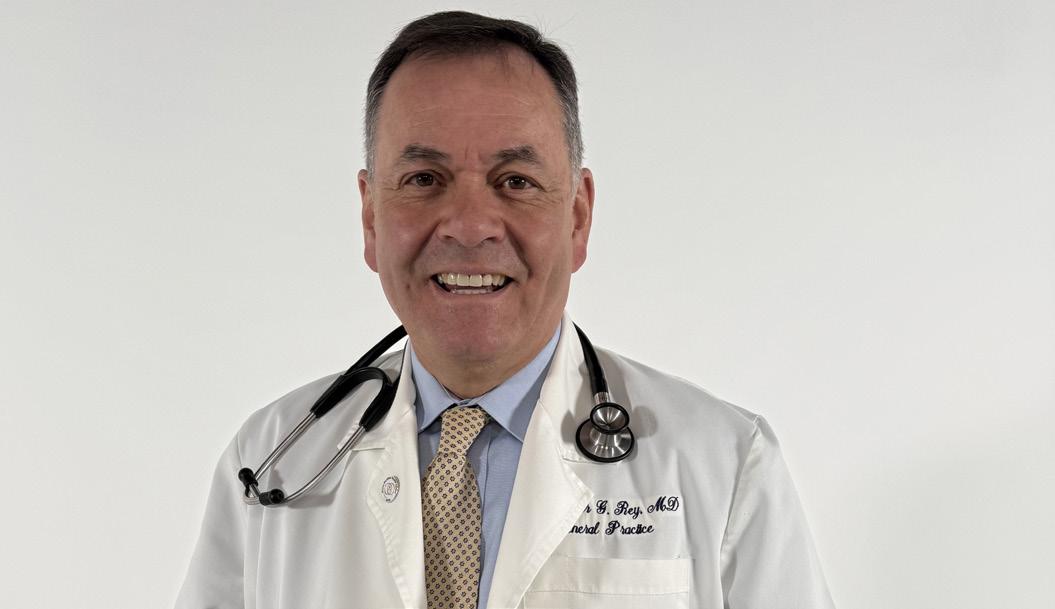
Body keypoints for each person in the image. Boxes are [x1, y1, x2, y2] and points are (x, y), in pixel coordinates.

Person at [175, 11, 835, 609]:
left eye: (515, 181)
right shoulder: (272, 460)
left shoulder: (724, 465)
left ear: (577, 216)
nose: (469, 225)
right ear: (370, 217)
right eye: (424, 180)